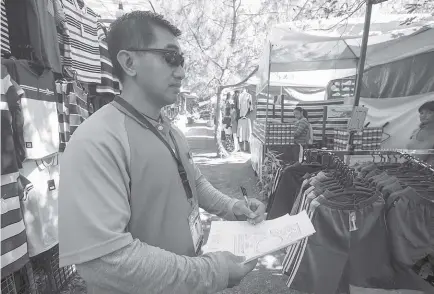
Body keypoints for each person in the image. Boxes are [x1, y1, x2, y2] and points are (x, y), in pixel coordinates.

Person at [58, 11, 266, 294]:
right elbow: (103, 262)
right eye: (170, 58)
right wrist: (212, 271)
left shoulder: (169, 129)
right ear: (128, 62)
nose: (181, 71)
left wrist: (233, 208)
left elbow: (193, 183)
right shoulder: (97, 141)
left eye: (182, 60)